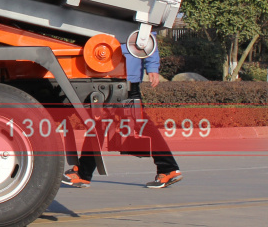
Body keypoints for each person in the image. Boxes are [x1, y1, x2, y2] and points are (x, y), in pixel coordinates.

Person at [63, 38, 183, 190]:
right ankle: (84, 173)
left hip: (124, 75)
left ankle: (168, 168)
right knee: (100, 122)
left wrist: (152, 66)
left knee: (137, 123)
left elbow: (147, 34)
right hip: (110, 71)